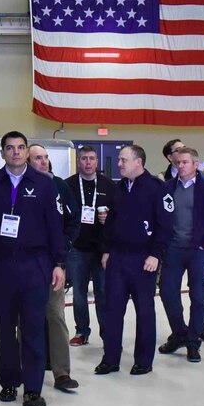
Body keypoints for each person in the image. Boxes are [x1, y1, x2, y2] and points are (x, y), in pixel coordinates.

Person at [0, 132, 66, 406]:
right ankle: (9, 381)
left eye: (20, 148)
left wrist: (59, 264)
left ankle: (33, 390)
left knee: (34, 327)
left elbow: (55, 228)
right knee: (5, 328)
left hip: (35, 265)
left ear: (26, 152)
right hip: (1, 265)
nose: (15, 152)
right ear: (1, 153)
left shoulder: (44, 185)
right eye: (9, 148)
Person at [97, 145, 172, 376]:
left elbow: (165, 225)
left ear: (138, 162)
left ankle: (143, 360)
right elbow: (110, 223)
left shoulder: (157, 188)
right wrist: (107, 250)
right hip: (118, 258)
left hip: (143, 258)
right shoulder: (116, 189)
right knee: (113, 310)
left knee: (145, 311)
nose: (119, 164)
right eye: (119, 160)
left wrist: (155, 254)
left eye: (123, 160)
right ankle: (110, 359)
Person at [157, 147, 204, 364]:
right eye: (178, 162)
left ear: (196, 164)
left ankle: (193, 341)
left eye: (185, 162)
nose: (181, 166)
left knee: (198, 296)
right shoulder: (168, 188)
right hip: (174, 250)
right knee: (168, 292)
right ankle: (179, 333)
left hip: (197, 251)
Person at [27, 144, 79, 391]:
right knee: (25, 318)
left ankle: (61, 373)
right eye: (38, 158)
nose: (44, 162)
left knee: (56, 315)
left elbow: (73, 220)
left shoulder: (59, 186)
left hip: (53, 263)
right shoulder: (18, 186)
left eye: (46, 157)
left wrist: (64, 246)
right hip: (25, 264)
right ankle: (25, 368)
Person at [65, 145, 115, 347]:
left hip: (102, 248)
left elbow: (118, 216)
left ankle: (107, 332)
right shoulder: (68, 185)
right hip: (78, 248)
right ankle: (82, 331)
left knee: (103, 292)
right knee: (79, 293)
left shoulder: (108, 185)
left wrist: (109, 218)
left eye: (92, 158)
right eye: (84, 158)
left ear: (97, 162)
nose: (88, 162)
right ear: (79, 161)